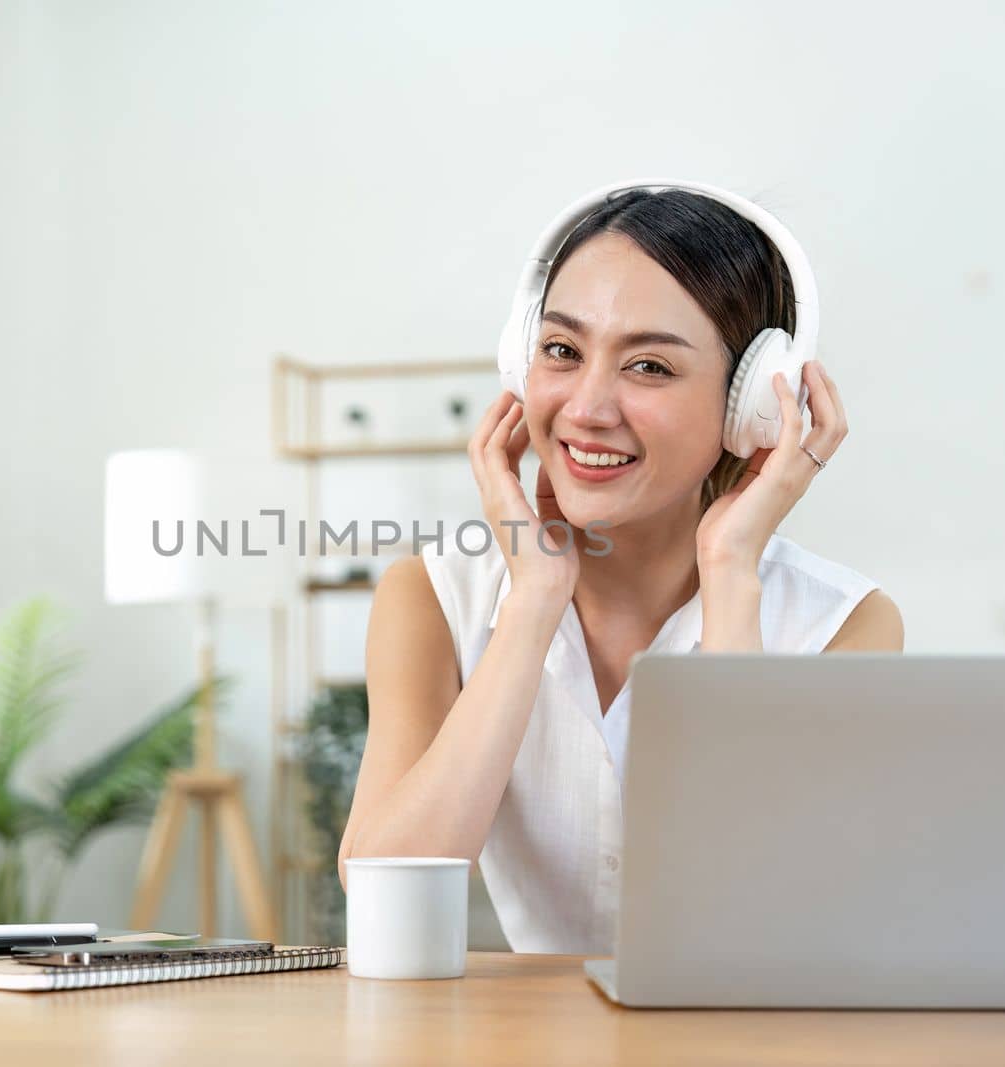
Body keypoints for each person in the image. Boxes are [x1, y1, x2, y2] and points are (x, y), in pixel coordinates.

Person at [336, 187, 905, 954]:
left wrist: (732, 578)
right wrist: (534, 602)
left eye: (649, 366)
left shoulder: (845, 624)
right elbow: (386, 892)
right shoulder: (432, 599)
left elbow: (770, 917)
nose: (587, 408)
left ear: (751, 410)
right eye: (563, 351)